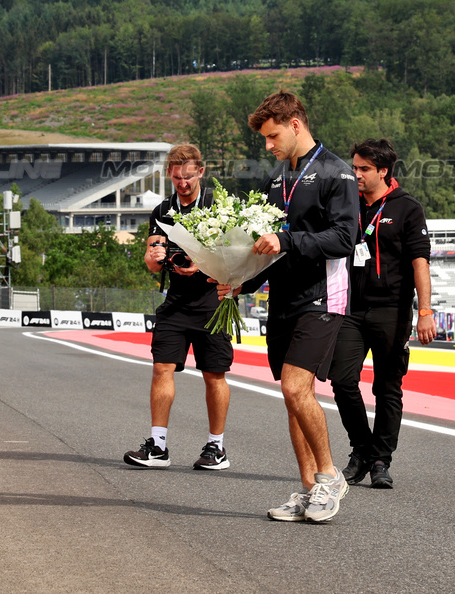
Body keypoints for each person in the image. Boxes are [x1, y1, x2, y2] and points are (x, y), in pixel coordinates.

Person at [215, 90, 357, 523]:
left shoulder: (338, 173)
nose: (268, 146)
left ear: (296, 124)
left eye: (273, 136)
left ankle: (330, 477)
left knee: (297, 387)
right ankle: (310, 488)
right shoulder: (277, 180)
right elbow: (268, 248)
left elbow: (344, 239)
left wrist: (287, 238)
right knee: (293, 399)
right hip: (282, 300)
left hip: (321, 296)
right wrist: (241, 281)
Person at [328, 139, 434, 490]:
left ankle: (380, 461)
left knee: (388, 388)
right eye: (353, 167)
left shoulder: (407, 208)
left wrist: (425, 311)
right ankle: (361, 449)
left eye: (363, 169)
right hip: (352, 309)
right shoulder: (348, 204)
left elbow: (420, 263)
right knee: (342, 379)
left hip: (393, 309)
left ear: (383, 171)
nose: (355, 174)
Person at [124, 144, 233, 471]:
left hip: (213, 300)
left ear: (201, 172)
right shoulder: (162, 210)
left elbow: (235, 254)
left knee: (214, 374)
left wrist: (200, 266)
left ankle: (217, 447)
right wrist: (152, 259)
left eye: (188, 177)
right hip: (176, 301)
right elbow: (153, 258)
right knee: (162, 367)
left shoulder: (219, 206)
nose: (182, 183)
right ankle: (158, 446)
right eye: (176, 178)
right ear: (168, 175)